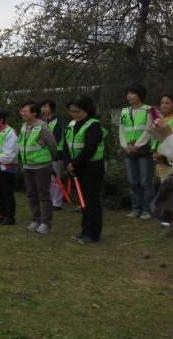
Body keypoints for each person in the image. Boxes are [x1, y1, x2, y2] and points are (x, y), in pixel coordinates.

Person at [65, 96, 107, 244]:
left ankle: (93, 234)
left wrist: (75, 163)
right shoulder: (72, 124)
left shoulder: (93, 125)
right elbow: (66, 144)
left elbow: (90, 148)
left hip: (91, 169)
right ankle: (84, 230)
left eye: (78, 111)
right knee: (83, 203)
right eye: (72, 111)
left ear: (87, 110)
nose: (75, 114)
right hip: (77, 169)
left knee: (92, 202)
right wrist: (68, 162)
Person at [18, 101, 58, 233]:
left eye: (25, 111)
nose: (22, 113)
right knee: (31, 195)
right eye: (22, 111)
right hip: (28, 166)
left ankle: (46, 223)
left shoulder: (43, 127)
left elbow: (53, 146)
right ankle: (36, 220)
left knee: (44, 195)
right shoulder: (24, 126)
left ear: (34, 113)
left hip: (42, 167)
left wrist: (48, 162)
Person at [119, 84, 154, 219]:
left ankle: (146, 209)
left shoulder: (149, 110)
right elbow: (121, 130)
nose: (129, 96)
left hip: (144, 150)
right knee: (133, 181)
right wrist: (124, 146)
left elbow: (148, 130)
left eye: (132, 93)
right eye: (128, 93)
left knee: (146, 181)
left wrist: (137, 145)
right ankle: (135, 208)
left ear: (140, 95)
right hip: (128, 150)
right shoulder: (124, 111)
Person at [40, 99, 65, 211]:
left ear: (51, 108)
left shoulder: (57, 121)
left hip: (56, 154)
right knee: (47, 179)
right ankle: (50, 200)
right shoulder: (40, 121)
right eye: (42, 107)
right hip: (43, 154)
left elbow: (55, 138)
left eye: (46, 106)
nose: (43, 109)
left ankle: (57, 203)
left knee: (55, 179)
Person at [152, 94, 173, 183]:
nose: (163, 105)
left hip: (169, 159)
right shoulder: (162, 119)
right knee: (165, 187)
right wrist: (155, 152)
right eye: (162, 103)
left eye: (167, 103)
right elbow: (156, 139)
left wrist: (162, 153)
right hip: (161, 159)